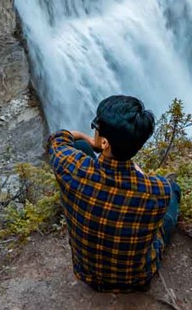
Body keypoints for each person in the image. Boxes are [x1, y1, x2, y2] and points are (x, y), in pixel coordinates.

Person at [47, 95, 181, 292]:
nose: (93, 130)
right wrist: (138, 174)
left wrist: (87, 140)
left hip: (86, 272)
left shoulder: (70, 168)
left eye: (95, 127)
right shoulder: (158, 191)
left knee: (80, 146)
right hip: (134, 279)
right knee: (174, 190)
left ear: (104, 143)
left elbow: (59, 138)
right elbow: (147, 187)